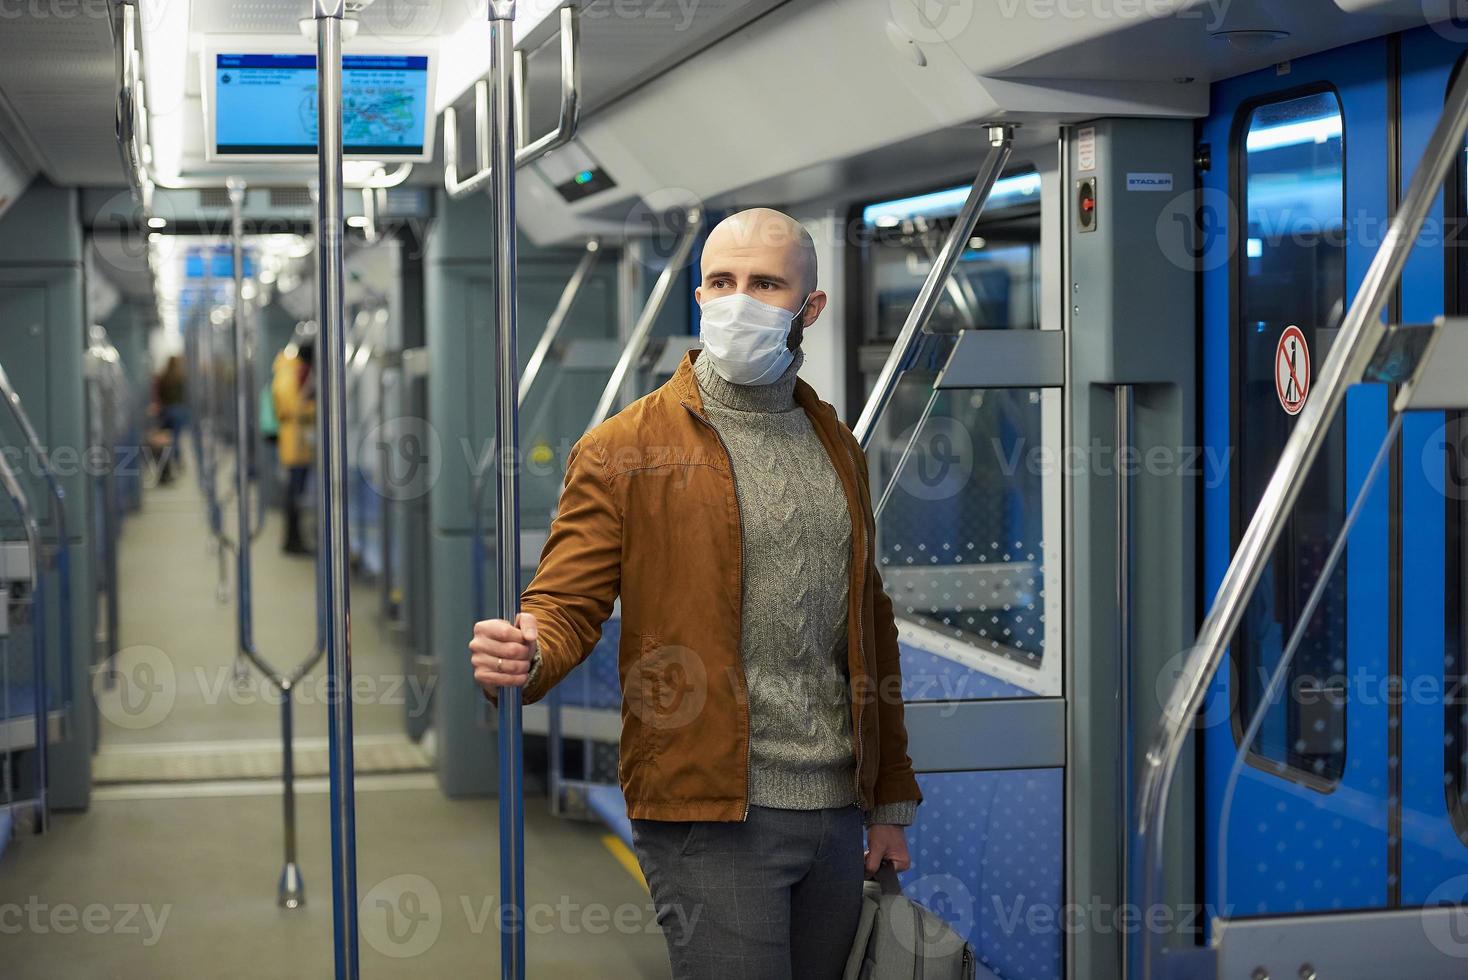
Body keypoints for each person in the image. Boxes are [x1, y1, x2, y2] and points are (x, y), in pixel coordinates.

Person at [470, 208, 922, 980]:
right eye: (721, 282)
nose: (738, 301)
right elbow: (567, 602)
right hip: (705, 811)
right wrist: (530, 647)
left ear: (808, 308)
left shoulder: (835, 443)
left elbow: (866, 622)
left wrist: (887, 803)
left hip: (835, 807)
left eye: (765, 284)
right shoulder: (624, 449)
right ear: (699, 296)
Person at [271, 338, 315, 555]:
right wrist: (315, 410)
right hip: (294, 442)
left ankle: (295, 539)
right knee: (294, 495)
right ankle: (292, 541)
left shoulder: (289, 371)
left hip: (297, 442)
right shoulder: (290, 374)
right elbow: (291, 408)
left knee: (295, 493)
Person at [152, 355, 188, 484]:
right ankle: (177, 462)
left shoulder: (163, 377)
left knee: (167, 440)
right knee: (176, 439)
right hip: (179, 410)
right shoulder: (180, 378)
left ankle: (170, 463)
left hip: (167, 411)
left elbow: (159, 395)